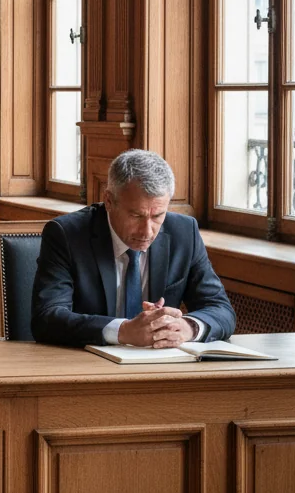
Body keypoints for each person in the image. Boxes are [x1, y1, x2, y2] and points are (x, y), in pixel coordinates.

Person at [31, 149, 236, 348]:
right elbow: (47, 318)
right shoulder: (67, 234)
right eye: (136, 216)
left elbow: (221, 310)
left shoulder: (184, 233)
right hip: (87, 366)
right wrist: (124, 331)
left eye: (157, 216)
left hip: (159, 367)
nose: (147, 231)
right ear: (109, 201)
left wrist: (187, 327)